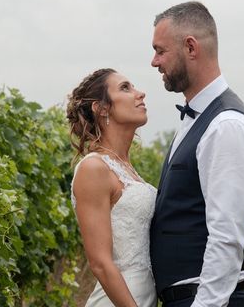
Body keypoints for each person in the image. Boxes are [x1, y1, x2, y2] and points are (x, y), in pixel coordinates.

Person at [149, 1, 244, 307]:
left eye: (160, 50)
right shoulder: (200, 118)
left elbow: (227, 236)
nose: (154, 61)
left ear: (190, 47)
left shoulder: (226, 125)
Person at [67, 68, 158, 307]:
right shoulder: (93, 168)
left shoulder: (127, 169)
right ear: (102, 108)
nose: (140, 94)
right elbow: (100, 263)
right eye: (125, 88)